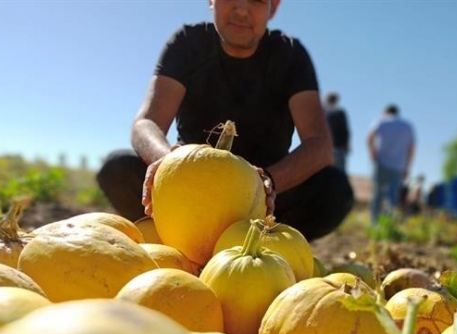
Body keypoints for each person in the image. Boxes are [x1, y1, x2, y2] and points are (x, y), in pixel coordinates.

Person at [96, 0, 354, 242]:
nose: (242, 10)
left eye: (256, 0)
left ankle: (267, 250)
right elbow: (146, 122)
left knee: (333, 190)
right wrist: (168, 163)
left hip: (263, 199)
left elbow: (319, 143)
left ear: (273, 7)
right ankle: (179, 242)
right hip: (189, 191)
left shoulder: (290, 55)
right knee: (117, 170)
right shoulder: (187, 43)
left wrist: (268, 183)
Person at [366, 104, 415, 224]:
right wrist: (407, 167)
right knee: (392, 197)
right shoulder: (407, 126)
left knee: (378, 194)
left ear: (386, 112)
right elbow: (411, 148)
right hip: (398, 167)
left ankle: (374, 223)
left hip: (381, 164)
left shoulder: (381, 121)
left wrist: (373, 154)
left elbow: (369, 138)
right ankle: (388, 223)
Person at [323, 92, 350, 172]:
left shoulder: (323, 114)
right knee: (339, 176)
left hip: (325, 150)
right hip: (338, 149)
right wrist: (346, 145)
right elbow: (345, 131)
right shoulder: (340, 113)